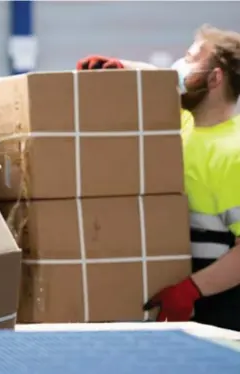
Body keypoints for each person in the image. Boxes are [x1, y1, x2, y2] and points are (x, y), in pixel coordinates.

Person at [76, 24, 240, 331]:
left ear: (215, 78)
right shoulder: (183, 123)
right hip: (181, 304)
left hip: (220, 311)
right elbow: (161, 79)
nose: (179, 66)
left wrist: (191, 290)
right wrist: (122, 68)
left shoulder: (233, 152)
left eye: (191, 58)